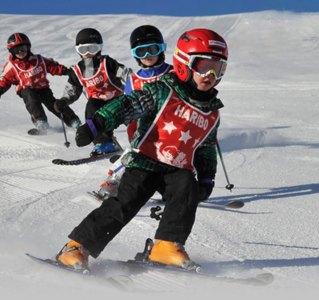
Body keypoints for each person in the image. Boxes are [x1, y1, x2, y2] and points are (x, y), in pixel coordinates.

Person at [56, 28, 229, 273]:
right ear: (182, 63)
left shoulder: (211, 111)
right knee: (123, 205)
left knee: (186, 188)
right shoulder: (162, 90)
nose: (210, 74)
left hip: (177, 167)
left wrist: (207, 177)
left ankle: (166, 245)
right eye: (203, 65)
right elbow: (128, 104)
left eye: (218, 68)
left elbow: (206, 146)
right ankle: (76, 247)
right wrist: (97, 123)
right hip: (146, 160)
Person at [95, 25, 173, 201]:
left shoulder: (175, 73)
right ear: (135, 54)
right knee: (138, 153)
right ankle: (114, 180)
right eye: (141, 52)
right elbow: (128, 108)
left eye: (153, 49)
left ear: (162, 49)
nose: (147, 56)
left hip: (172, 129)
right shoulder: (134, 80)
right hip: (145, 133)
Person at [53, 28, 133, 156]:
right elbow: (73, 89)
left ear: (99, 48)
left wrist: (136, 86)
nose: (88, 53)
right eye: (84, 50)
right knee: (91, 108)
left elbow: (126, 75)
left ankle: (142, 142)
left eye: (92, 48)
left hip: (118, 100)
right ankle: (103, 143)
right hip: (97, 102)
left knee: (134, 118)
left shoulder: (107, 63)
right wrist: (64, 100)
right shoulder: (77, 70)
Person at [0, 33, 81, 135]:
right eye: (17, 50)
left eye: (23, 48)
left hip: (43, 88)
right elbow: (5, 80)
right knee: (31, 99)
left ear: (28, 48)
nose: (21, 52)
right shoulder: (11, 66)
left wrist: (66, 71)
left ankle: (74, 122)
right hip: (25, 89)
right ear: (11, 51)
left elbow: (52, 67)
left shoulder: (39, 60)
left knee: (54, 104)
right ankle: (41, 123)